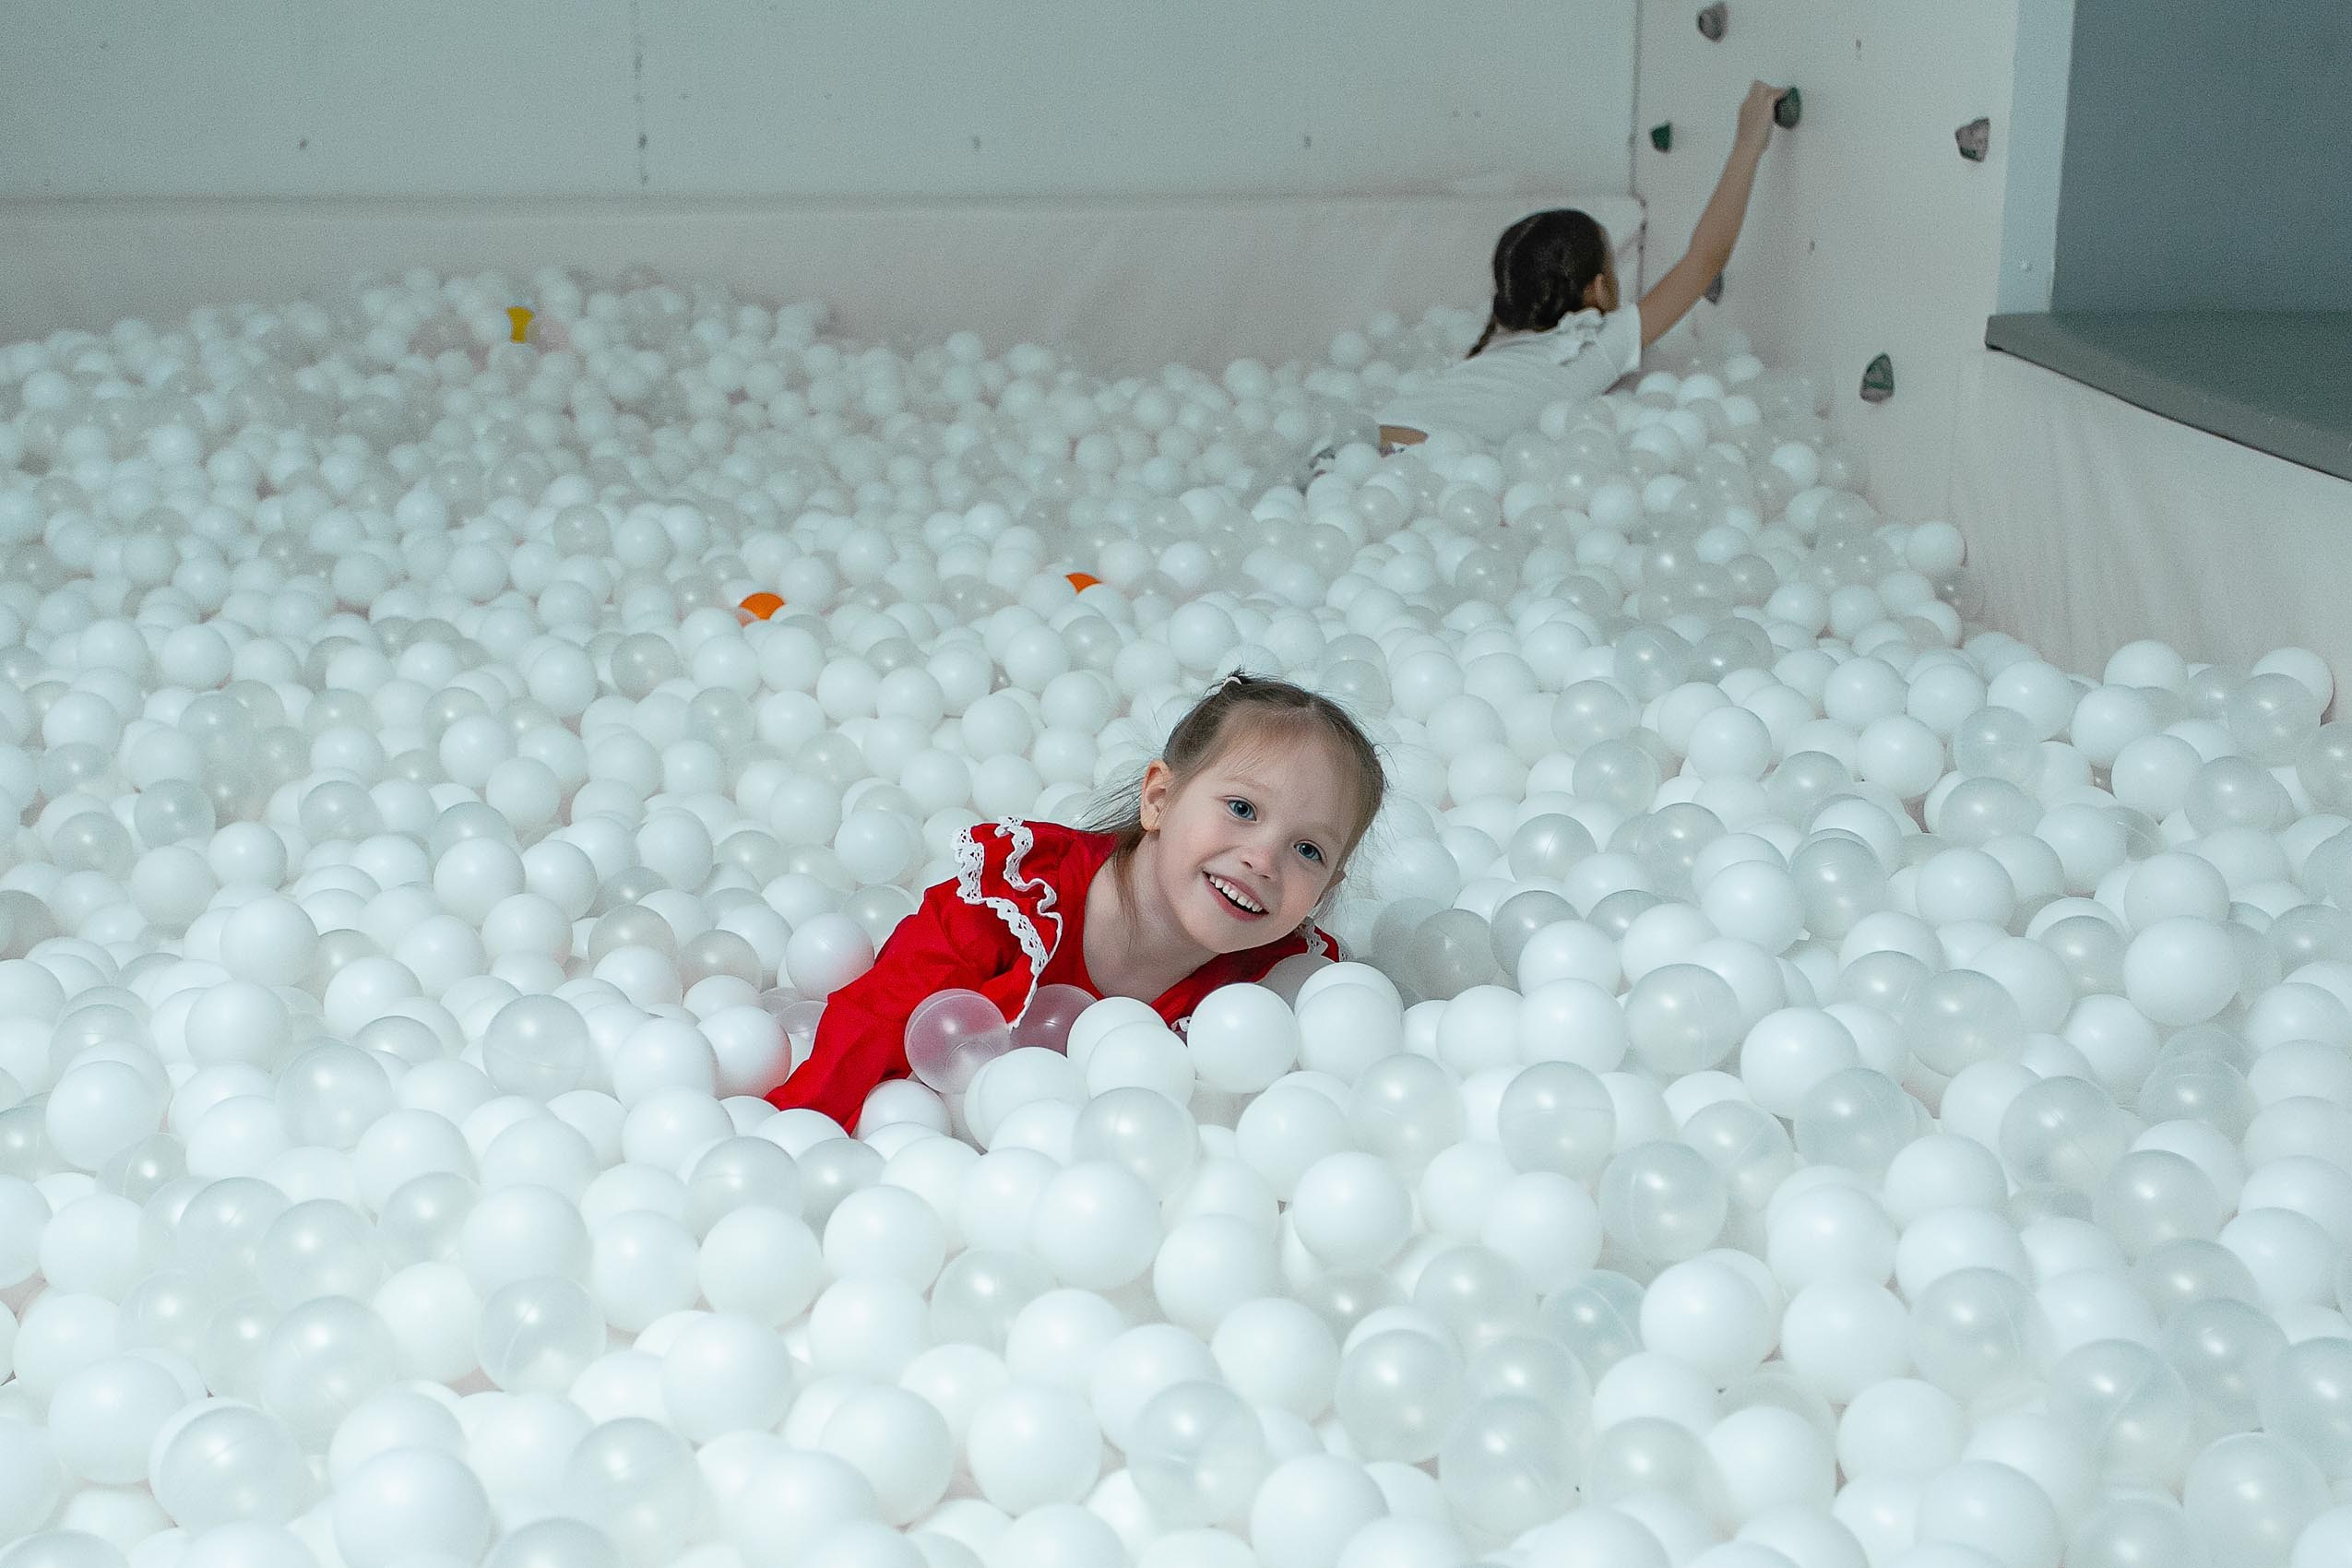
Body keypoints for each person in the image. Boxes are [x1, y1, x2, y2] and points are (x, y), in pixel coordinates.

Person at [766, 674, 1387, 1127]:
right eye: (1242, 809)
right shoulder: (1011, 907)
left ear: (1325, 891)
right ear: (1160, 800)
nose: (1264, 860)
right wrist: (794, 1133)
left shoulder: (1282, 989)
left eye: (1308, 850)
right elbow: (874, 1023)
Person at [1375, 81, 1789, 451]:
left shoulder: (1499, 344)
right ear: (1598, 289)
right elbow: (1704, 259)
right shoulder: (1593, 339)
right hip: (1431, 454)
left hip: (1377, 434)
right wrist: (1748, 142)